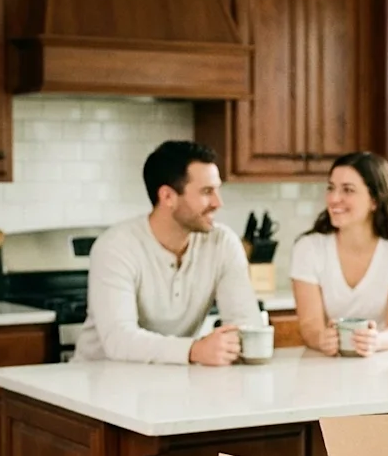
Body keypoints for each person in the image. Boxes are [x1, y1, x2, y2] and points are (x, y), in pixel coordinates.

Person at [73, 140, 264, 366]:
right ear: (167, 197)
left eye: (217, 190)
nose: (218, 203)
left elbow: (246, 324)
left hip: (173, 379)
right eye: (206, 192)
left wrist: (230, 344)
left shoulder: (222, 243)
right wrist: (194, 350)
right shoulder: (116, 246)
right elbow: (119, 340)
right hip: (99, 382)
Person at [290, 152, 388, 357]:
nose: (334, 198)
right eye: (331, 188)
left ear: (375, 200)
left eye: (348, 190)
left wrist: (376, 341)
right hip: (334, 368)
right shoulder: (308, 248)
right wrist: (321, 339)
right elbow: (310, 326)